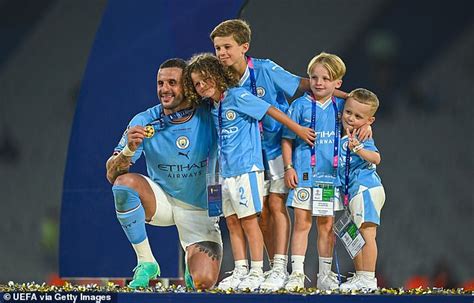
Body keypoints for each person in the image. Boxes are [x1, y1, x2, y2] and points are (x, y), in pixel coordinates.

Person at [210, 19, 348, 291]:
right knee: (256, 214)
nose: (222, 53)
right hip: (246, 155)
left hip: (274, 148)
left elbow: (310, 85)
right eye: (217, 48)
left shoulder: (264, 69)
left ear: (244, 47)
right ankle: (269, 271)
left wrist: (358, 103)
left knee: (276, 206)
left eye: (227, 46)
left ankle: (279, 267)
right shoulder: (219, 80)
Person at [183, 53, 315, 291]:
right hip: (225, 173)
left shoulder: (238, 96)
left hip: (247, 169)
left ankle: (257, 270)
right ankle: (241, 270)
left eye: (205, 79)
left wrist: (298, 129)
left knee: (249, 221)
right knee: (232, 222)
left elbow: (271, 111)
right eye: (197, 83)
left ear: (217, 74)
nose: (201, 86)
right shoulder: (212, 106)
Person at [105, 58, 223, 290]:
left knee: (203, 282)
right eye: (160, 83)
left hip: (199, 208)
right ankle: (146, 262)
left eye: (172, 82)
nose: (164, 89)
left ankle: (192, 260)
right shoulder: (144, 120)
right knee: (123, 184)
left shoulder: (210, 113)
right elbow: (111, 173)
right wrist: (129, 149)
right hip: (162, 200)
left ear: (188, 86)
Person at [337, 88, 385, 291]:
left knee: (367, 233)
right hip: (353, 191)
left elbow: (376, 158)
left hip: (366, 188)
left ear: (369, 121)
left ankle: (368, 278)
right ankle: (361, 276)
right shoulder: (344, 133)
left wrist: (358, 148)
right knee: (354, 235)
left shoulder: (361, 135)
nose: (351, 118)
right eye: (348, 112)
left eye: (358, 116)